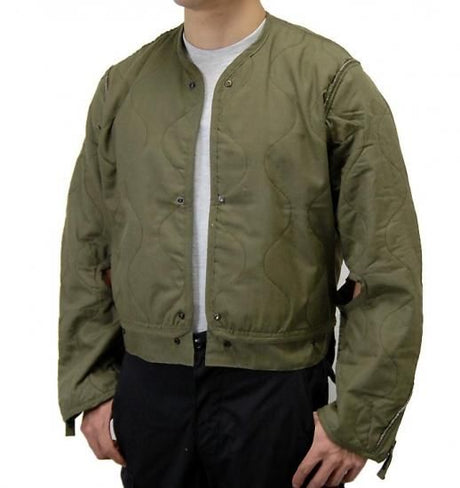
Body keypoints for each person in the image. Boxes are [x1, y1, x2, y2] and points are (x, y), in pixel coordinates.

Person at [57, 1, 423, 487]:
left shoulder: (330, 81)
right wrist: (92, 384)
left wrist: (358, 420)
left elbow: (387, 264)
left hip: (279, 393)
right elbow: (88, 245)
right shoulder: (123, 86)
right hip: (150, 388)